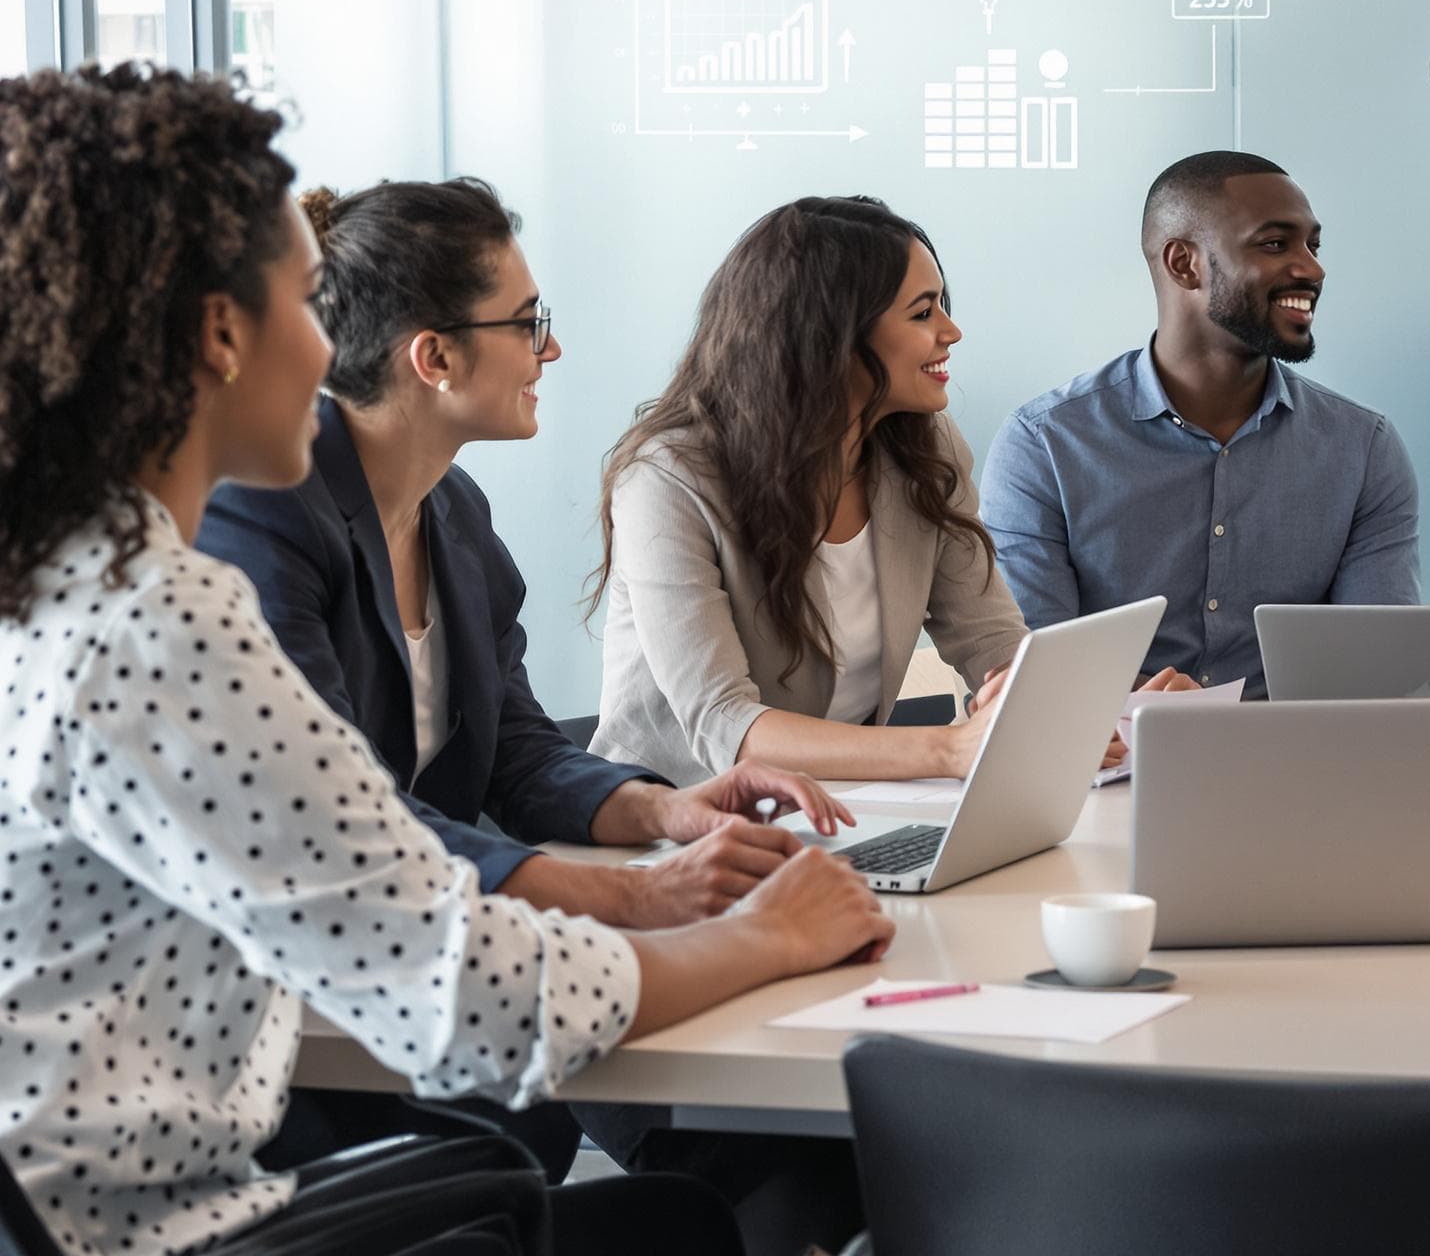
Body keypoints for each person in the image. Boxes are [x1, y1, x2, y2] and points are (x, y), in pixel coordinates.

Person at [0, 63, 892, 1256]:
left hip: (138, 1210)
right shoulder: (160, 622)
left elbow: (501, 763)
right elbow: (464, 996)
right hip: (184, 1234)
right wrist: (766, 935)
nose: (330, 350)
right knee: (693, 1221)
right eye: (310, 302)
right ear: (220, 334)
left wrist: (656, 823)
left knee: (658, 1203)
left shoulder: (70, 580)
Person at [195, 177, 869, 1246]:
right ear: (436, 357)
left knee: (737, 1188)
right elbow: (340, 819)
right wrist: (639, 905)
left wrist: (665, 815)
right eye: (527, 324)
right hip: (309, 1040)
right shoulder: (262, 518)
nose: (548, 351)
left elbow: (514, 749)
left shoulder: (455, 512)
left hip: (426, 987)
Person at [590, 195, 1167, 785]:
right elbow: (726, 723)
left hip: (847, 809)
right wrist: (949, 749)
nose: (951, 331)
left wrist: (1119, 711)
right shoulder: (667, 479)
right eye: (922, 314)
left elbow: (990, 639)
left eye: (942, 305)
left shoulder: (925, 449)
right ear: (829, 335)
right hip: (669, 824)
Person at [980, 151, 1419, 694]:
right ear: (1183, 263)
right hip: (1107, 768)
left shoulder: (1363, 449)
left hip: (1296, 763)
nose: (1311, 268)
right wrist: (1165, 708)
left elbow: (1375, 673)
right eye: (1275, 244)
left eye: (1313, 245)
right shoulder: (1044, 444)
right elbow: (1034, 668)